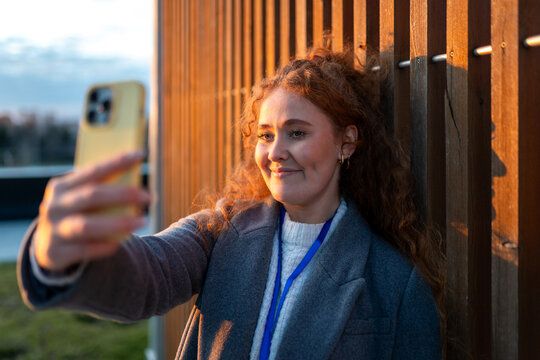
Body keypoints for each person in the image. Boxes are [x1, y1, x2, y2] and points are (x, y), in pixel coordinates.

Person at [18, 48, 444, 359]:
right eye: (265, 135)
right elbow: (149, 273)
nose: (275, 151)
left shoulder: (396, 286)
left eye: (297, 133)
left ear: (346, 143)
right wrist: (58, 258)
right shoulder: (221, 232)